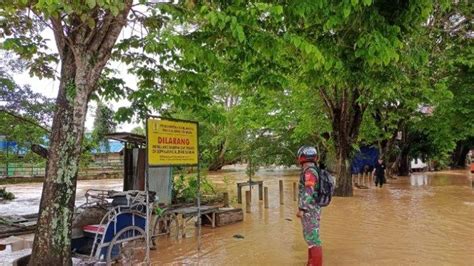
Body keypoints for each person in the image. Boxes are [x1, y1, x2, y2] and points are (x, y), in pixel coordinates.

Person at [296, 145, 322, 266]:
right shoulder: (312, 169)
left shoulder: (310, 171)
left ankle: (316, 264)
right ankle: (311, 263)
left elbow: (309, 191)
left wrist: (302, 208)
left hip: (310, 210)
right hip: (313, 209)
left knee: (313, 238)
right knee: (310, 237)